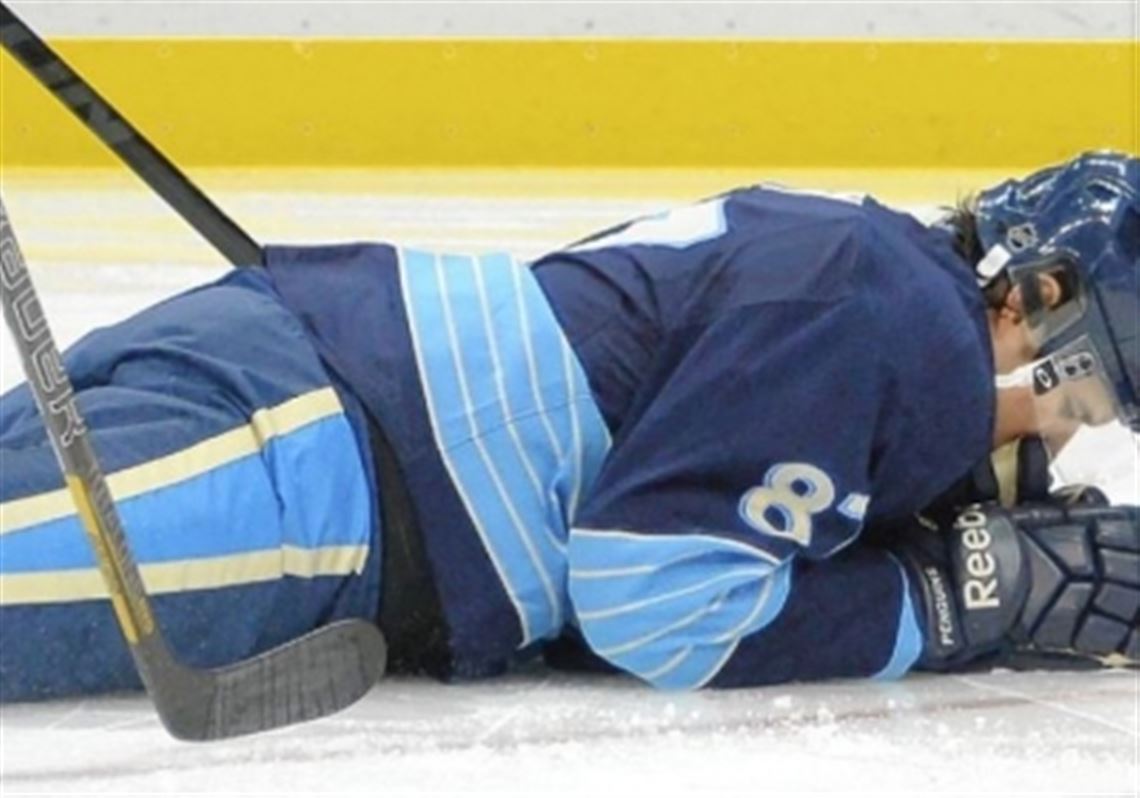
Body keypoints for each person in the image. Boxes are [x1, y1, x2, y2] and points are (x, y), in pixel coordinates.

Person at [0, 151, 1136, 700]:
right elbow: (654, 604)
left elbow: (675, 429)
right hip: (316, 482)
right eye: (1100, 381)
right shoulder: (908, 334)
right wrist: (945, 603)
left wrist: (932, 478)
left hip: (280, 353)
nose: (1082, 420)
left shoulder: (860, 250)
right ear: (1040, 291)